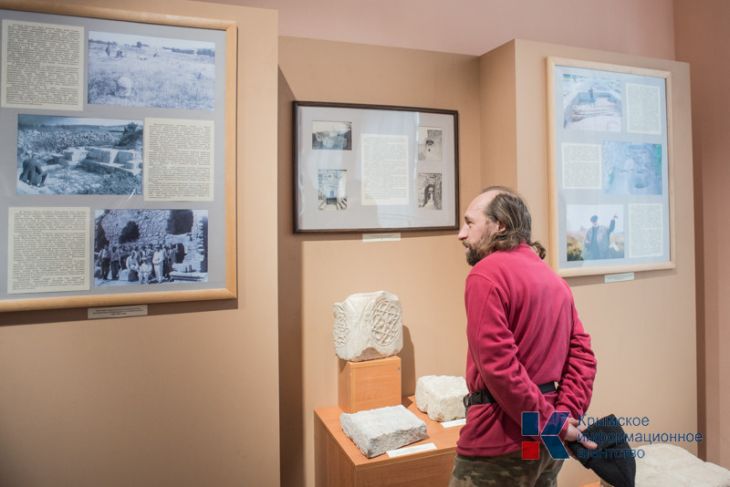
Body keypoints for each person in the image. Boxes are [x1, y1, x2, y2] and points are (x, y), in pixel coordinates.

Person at [451, 186, 597, 487]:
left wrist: (552, 424)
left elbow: (499, 368)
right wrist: (561, 419)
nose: (461, 234)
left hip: (500, 442)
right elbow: (583, 358)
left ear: (500, 225)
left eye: (470, 222)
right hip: (548, 444)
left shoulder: (486, 274)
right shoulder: (553, 279)